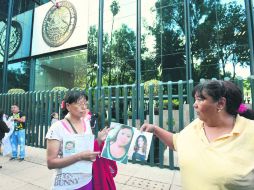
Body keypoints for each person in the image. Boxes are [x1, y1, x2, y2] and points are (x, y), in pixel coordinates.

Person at [141, 80, 254, 190]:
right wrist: (155, 129)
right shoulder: (196, 125)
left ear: (220, 103)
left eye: (200, 99)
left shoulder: (250, 131)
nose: (194, 105)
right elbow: (177, 142)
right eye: (195, 100)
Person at [46, 91, 116, 190]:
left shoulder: (86, 124)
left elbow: (88, 148)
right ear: (68, 106)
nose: (84, 107)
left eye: (85, 104)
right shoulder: (57, 127)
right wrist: (79, 157)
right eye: (79, 104)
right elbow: (51, 163)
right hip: (66, 185)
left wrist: (99, 140)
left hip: (87, 181)